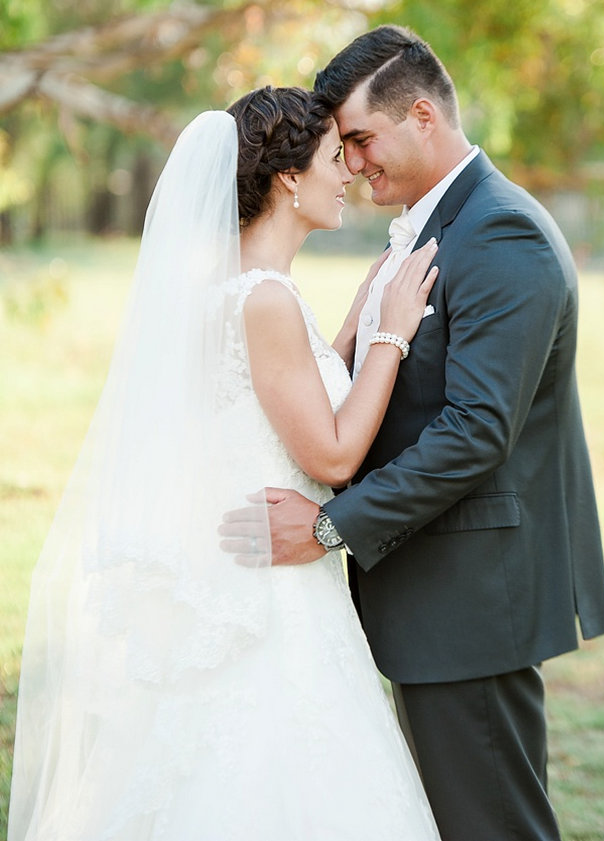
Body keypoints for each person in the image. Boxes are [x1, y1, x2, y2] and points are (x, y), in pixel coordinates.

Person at [8, 87, 443, 840]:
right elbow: (332, 453)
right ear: (286, 178)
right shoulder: (264, 298)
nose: (345, 174)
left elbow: (277, 403)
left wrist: (346, 331)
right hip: (274, 599)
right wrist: (389, 337)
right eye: (331, 157)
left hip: (261, 572)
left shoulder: (238, 290)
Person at [224, 27, 604, 841]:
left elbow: (474, 432)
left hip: (469, 600)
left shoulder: (500, 234)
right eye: (342, 147)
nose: (353, 161)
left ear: (423, 116)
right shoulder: (429, 230)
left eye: (360, 139)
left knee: (492, 826)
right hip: (424, 592)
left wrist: (330, 525)